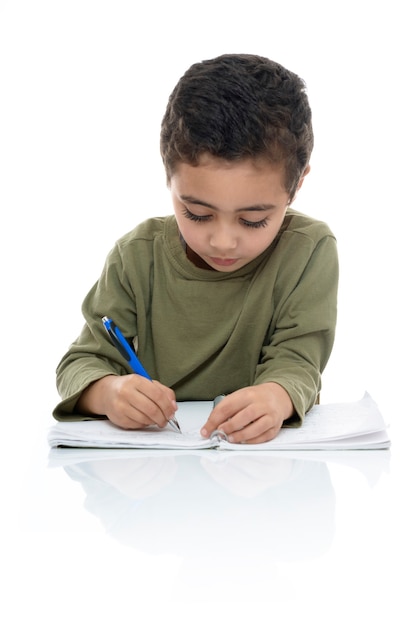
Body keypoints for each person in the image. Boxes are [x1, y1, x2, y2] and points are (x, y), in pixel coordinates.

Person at [53, 53, 338, 444]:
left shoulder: (308, 251)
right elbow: (81, 361)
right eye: (197, 214)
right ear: (168, 176)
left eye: (253, 220)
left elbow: (299, 359)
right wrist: (107, 392)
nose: (222, 241)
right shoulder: (137, 256)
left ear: (297, 184)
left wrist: (277, 396)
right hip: (153, 468)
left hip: (268, 471)